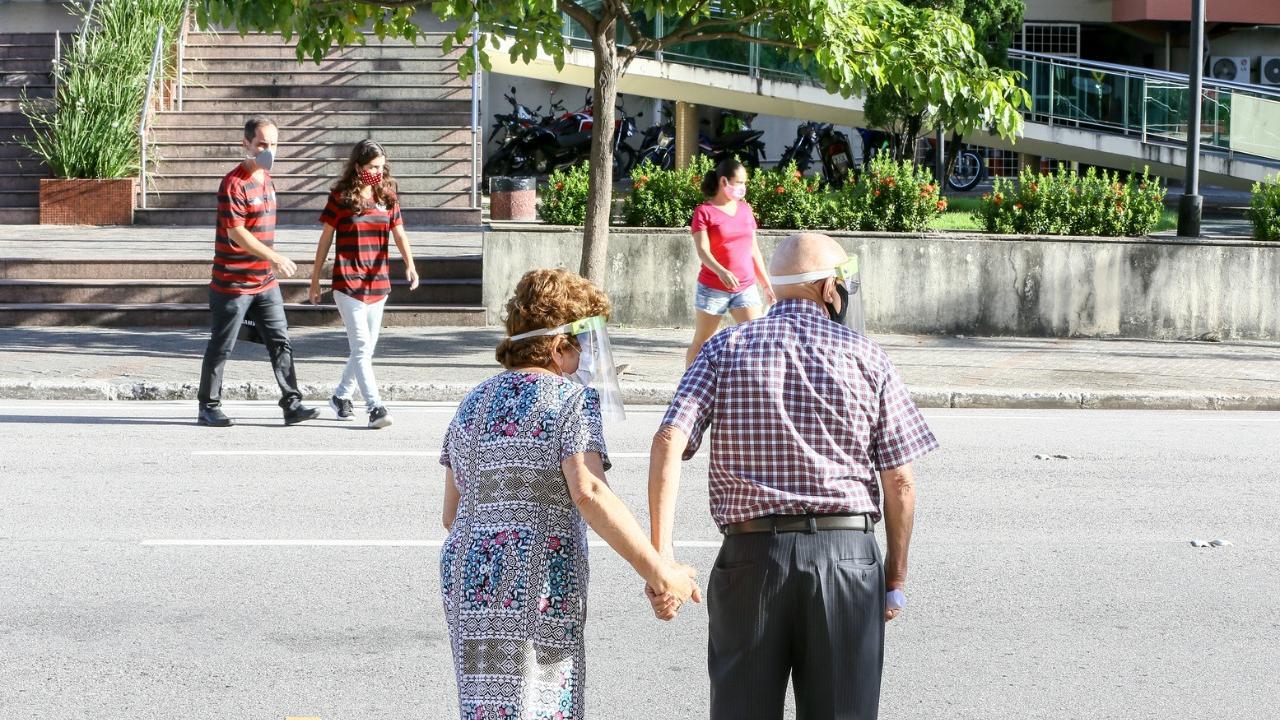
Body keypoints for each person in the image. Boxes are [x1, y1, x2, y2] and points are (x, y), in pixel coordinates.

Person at [646, 233, 938, 720]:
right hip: (847, 558)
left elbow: (667, 441)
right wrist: (894, 577)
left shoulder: (724, 347)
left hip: (751, 556)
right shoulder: (867, 355)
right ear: (827, 288)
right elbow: (901, 483)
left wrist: (663, 557)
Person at [439, 268, 699, 720]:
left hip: (468, 575)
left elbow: (451, 512)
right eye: (581, 345)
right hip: (535, 575)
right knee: (540, 702)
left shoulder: (473, 401)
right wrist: (660, 573)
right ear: (559, 347)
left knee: (488, 707)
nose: (585, 356)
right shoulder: (571, 400)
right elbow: (590, 491)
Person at [197, 117, 319, 427]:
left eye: (273, 144)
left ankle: (292, 404)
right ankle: (208, 406)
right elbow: (236, 232)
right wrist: (274, 256)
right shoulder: (233, 183)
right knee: (222, 345)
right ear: (246, 144)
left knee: (280, 341)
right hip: (232, 283)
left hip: (264, 281)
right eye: (262, 144)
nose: (268, 151)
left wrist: (269, 263)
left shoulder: (267, 179)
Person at [308, 139, 419, 429]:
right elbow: (325, 239)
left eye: (381, 167)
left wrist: (410, 264)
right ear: (358, 167)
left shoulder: (387, 196)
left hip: (378, 283)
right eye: (372, 167)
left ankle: (340, 396)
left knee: (366, 349)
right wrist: (315, 279)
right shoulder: (341, 197)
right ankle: (375, 407)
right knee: (360, 347)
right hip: (348, 282)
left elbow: (399, 233)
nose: (378, 172)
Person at [685, 158, 775, 367]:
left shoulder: (745, 210)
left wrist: (766, 284)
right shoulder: (704, 212)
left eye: (745, 183)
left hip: (745, 287)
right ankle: (688, 382)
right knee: (702, 341)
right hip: (713, 288)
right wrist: (721, 271)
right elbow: (703, 251)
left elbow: (754, 251)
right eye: (739, 183)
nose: (743, 188)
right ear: (724, 182)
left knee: (757, 339)